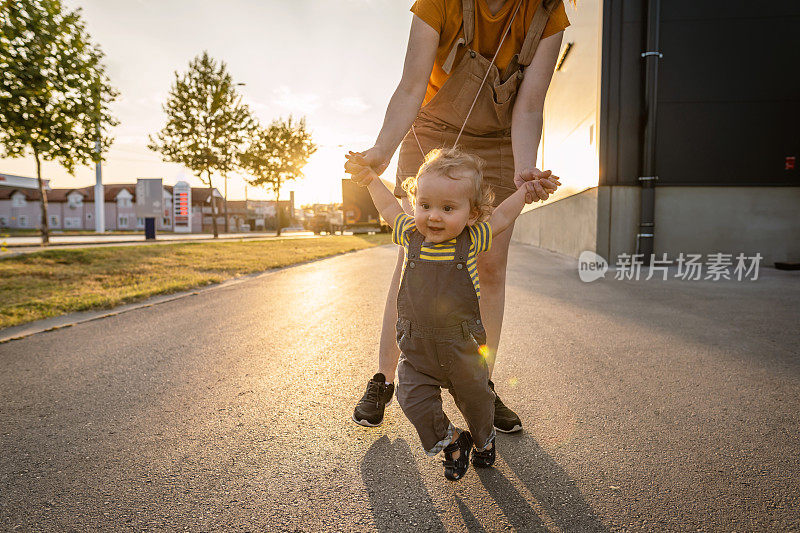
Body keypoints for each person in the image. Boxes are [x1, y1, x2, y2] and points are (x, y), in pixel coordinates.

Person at [348, 0, 569, 432]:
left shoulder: (548, 13)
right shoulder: (439, 2)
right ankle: (385, 379)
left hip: (500, 137)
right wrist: (380, 151)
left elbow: (528, 107)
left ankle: (479, 385)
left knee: (490, 267)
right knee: (414, 255)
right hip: (430, 127)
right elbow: (411, 87)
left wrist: (527, 169)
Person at [346, 147, 546, 480]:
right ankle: (452, 440)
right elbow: (386, 206)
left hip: (463, 351)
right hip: (417, 350)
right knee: (411, 396)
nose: (433, 216)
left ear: (472, 214)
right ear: (415, 204)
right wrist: (369, 178)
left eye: (448, 208)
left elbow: (502, 217)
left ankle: (483, 440)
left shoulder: (474, 237)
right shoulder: (410, 235)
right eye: (424, 205)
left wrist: (525, 192)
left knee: (478, 404)